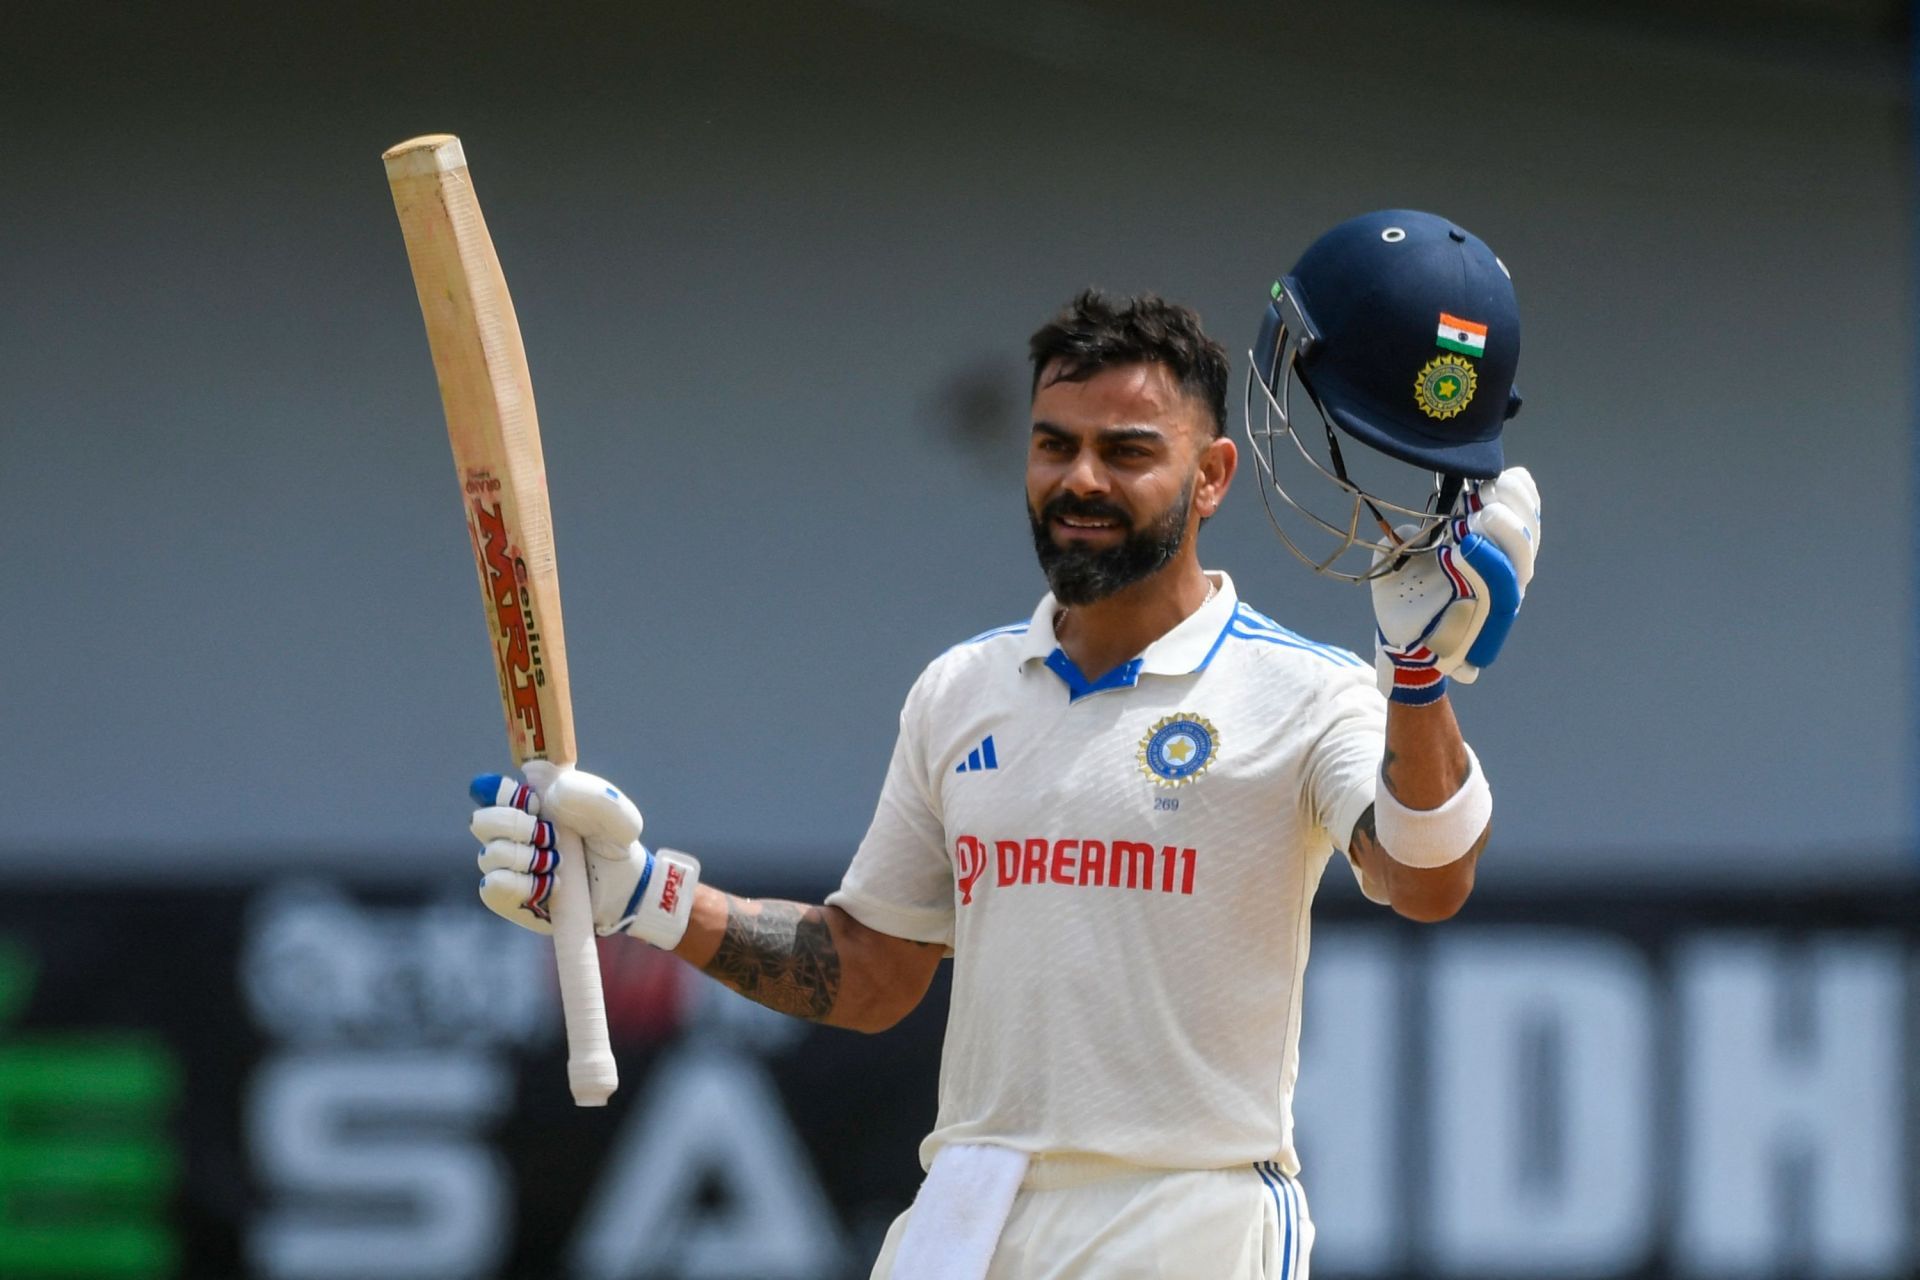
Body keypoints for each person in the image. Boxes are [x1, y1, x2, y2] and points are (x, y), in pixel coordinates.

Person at [466, 209, 1541, 1279]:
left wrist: (1416, 676)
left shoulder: (1306, 692)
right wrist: (639, 891)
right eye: (1054, 444)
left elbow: (1426, 874)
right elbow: (875, 968)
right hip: (972, 1210)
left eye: (1127, 453)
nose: (1081, 481)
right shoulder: (960, 689)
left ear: (1211, 476)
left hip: (1189, 1218)